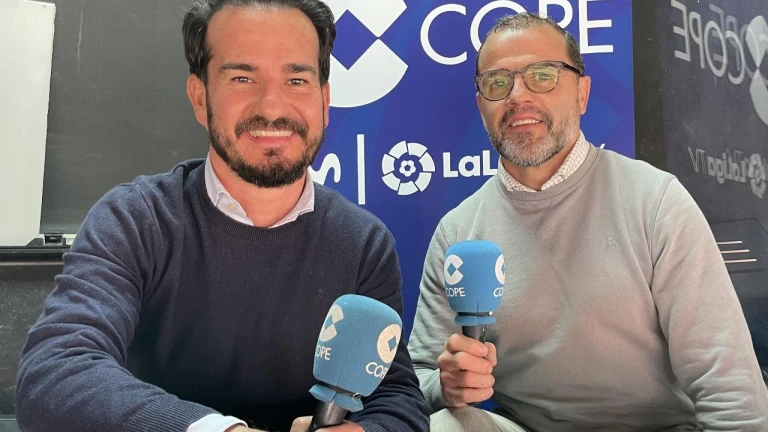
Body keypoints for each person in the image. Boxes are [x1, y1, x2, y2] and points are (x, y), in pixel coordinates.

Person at [15, 1, 429, 431]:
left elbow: (396, 399)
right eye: (243, 78)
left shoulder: (362, 243)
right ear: (200, 97)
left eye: (296, 79)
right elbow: (55, 374)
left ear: (324, 100)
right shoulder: (135, 220)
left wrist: (364, 430)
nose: (272, 107)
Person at [408, 12, 768, 432]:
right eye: (497, 82)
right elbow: (416, 379)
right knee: (446, 424)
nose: (518, 95)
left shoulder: (654, 201)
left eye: (542, 75)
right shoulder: (458, 233)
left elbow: (730, 390)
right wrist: (444, 386)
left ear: (582, 93)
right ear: (481, 106)